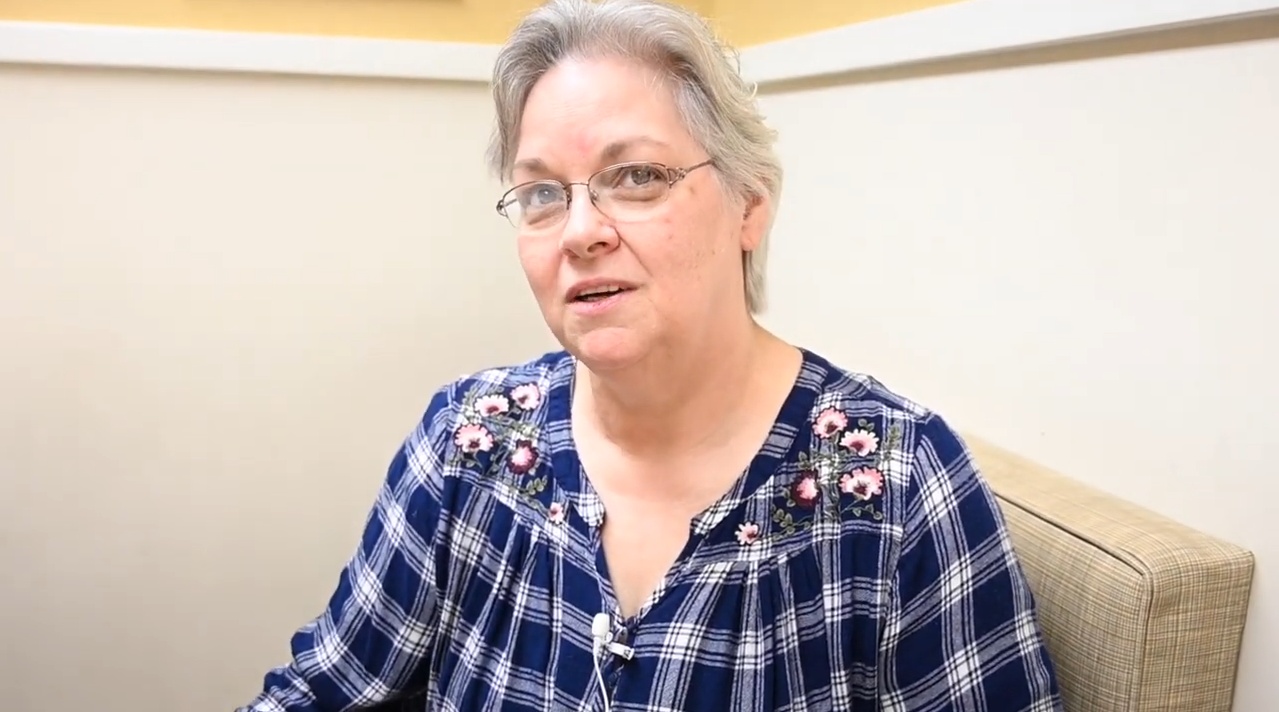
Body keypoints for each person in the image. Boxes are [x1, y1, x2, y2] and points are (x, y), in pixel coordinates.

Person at [238, 0, 1063, 709]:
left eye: (634, 177)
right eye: (541, 193)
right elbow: (322, 690)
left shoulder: (895, 482)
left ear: (748, 205)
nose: (579, 231)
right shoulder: (469, 438)